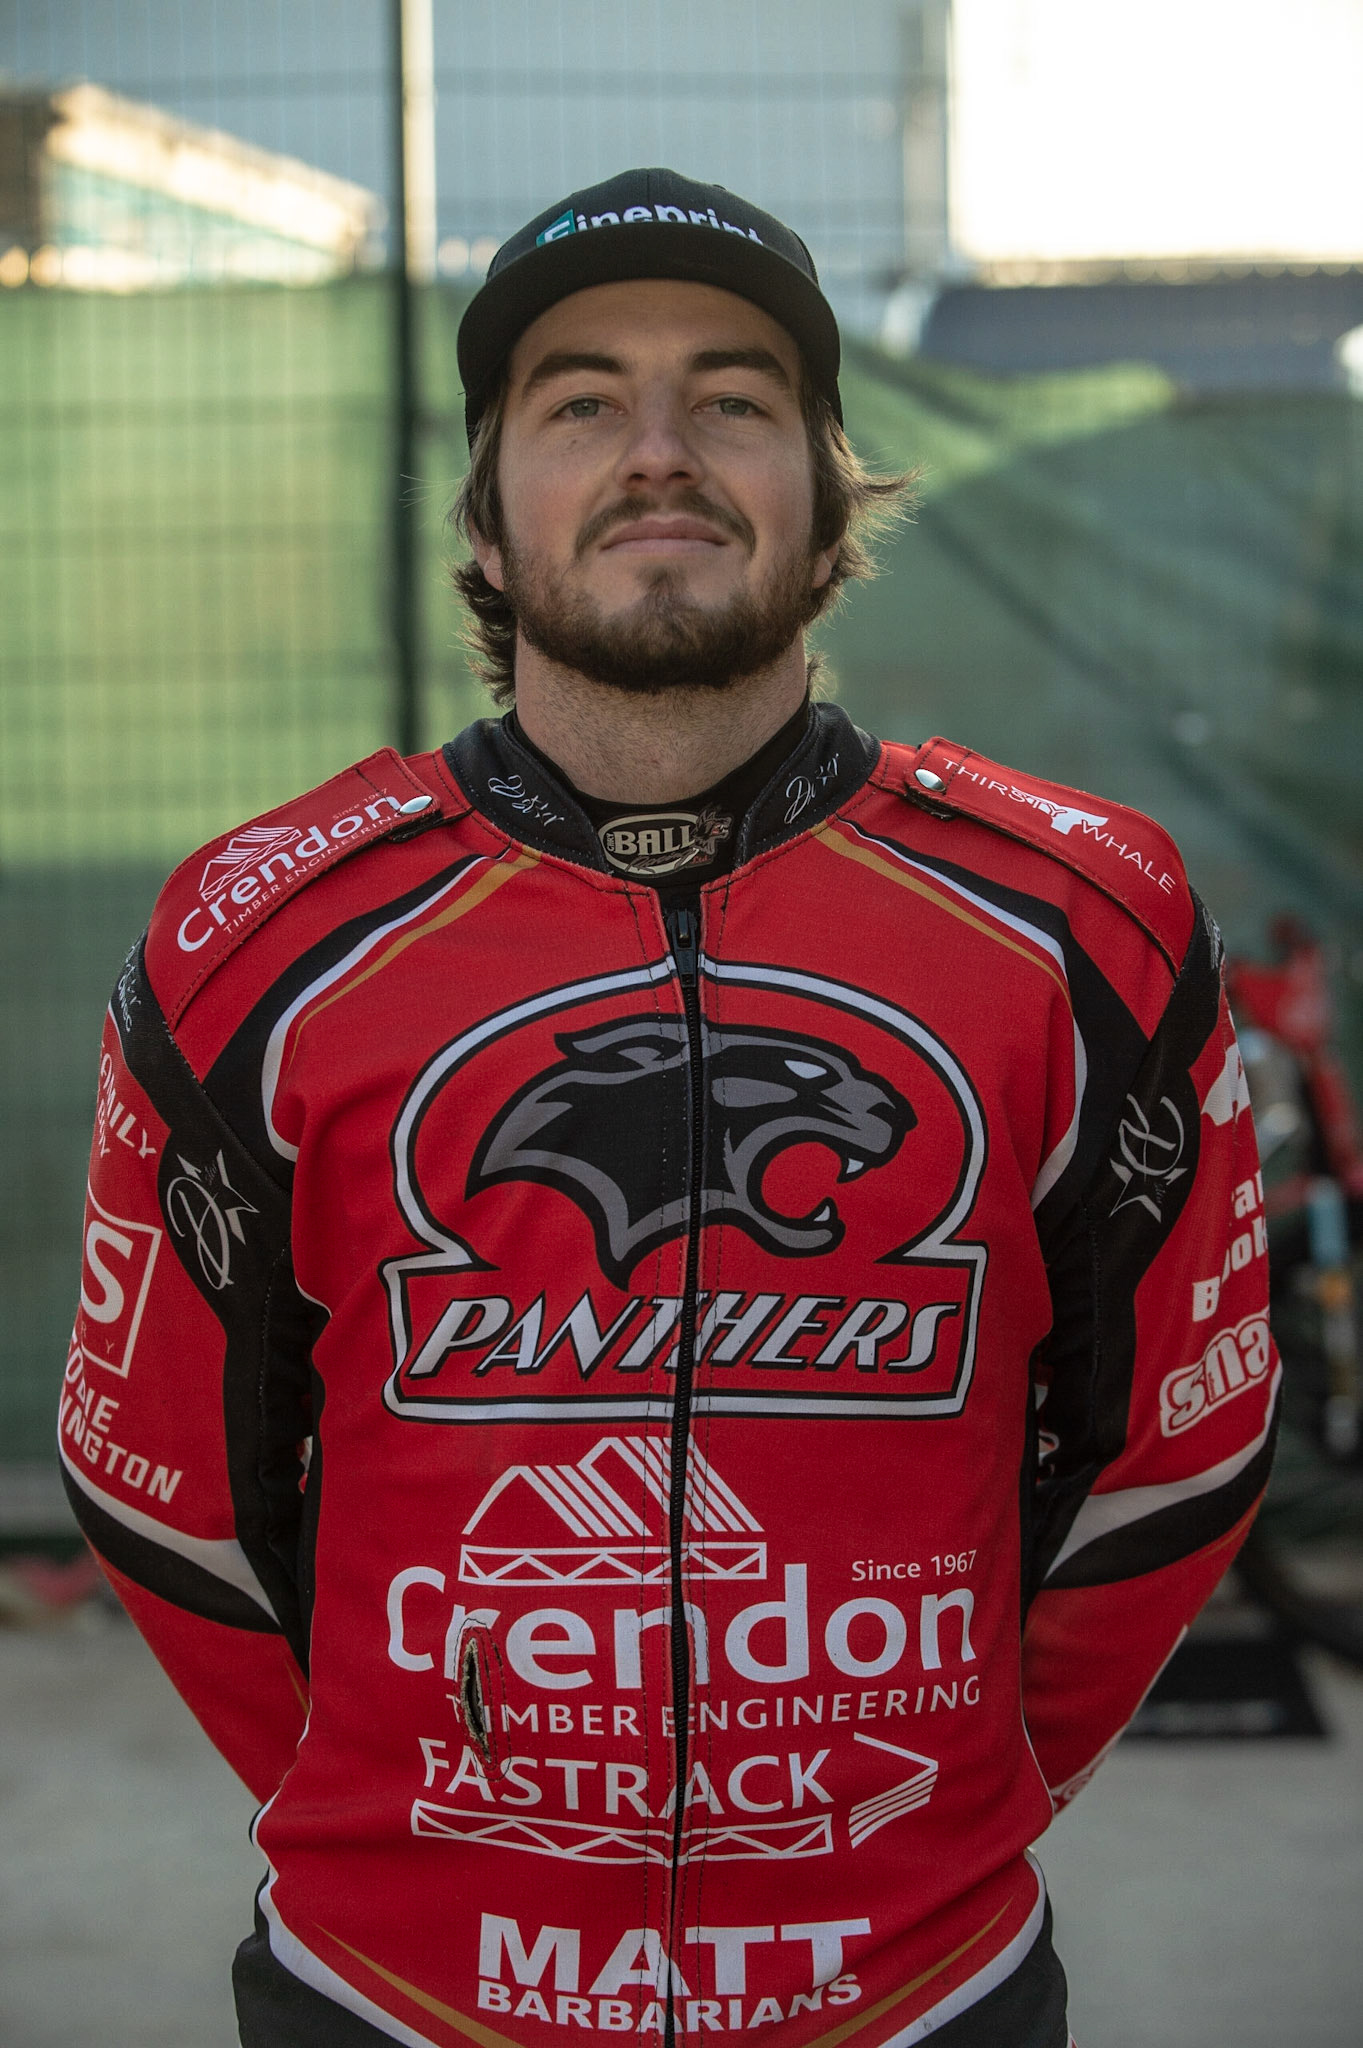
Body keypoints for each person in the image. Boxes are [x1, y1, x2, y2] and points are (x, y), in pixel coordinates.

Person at [62, 169, 1277, 2048]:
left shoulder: (1081, 924)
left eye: (733, 397)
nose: (660, 452)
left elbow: (1175, 1446)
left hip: (916, 1985)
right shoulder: (264, 939)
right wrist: (417, 1827)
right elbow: (169, 1485)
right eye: (580, 402)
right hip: (393, 1996)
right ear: (488, 511)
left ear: (822, 490)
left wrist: (945, 1800)